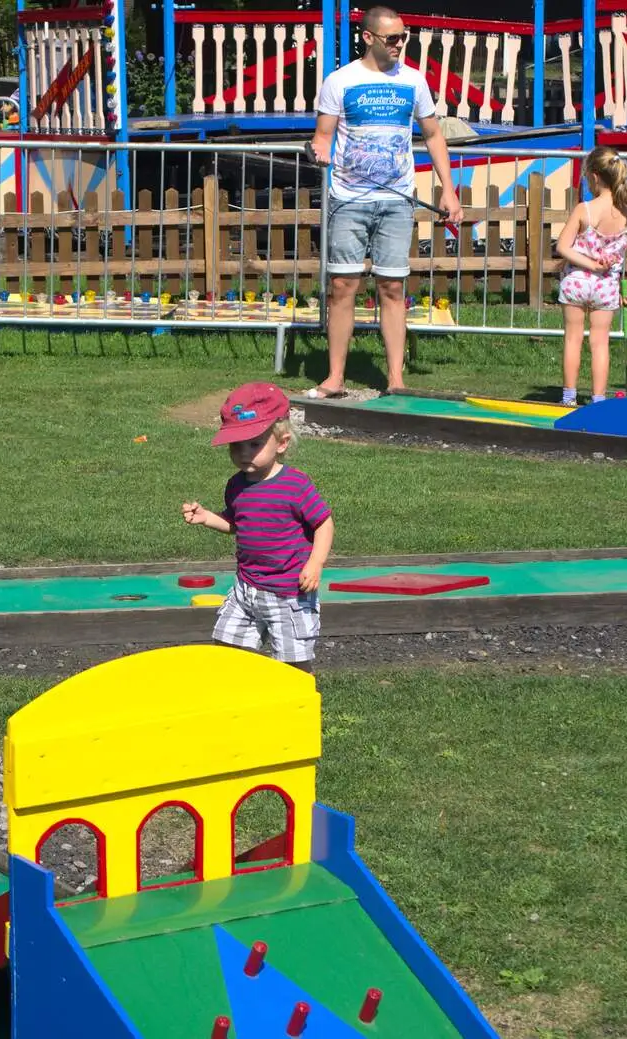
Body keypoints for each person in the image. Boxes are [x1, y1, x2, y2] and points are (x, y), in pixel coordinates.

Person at [305, 5, 463, 399]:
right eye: (393, 38)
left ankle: (395, 379)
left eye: (404, 37)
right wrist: (317, 152)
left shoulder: (413, 81)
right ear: (369, 38)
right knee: (343, 286)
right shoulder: (339, 81)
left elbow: (433, 135)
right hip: (348, 199)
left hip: (396, 201)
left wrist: (448, 187)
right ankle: (335, 376)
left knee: (393, 287)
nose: (400, 44)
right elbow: (322, 137)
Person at [181, 383, 333, 672]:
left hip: (289, 593)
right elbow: (236, 524)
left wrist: (315, 563)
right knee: (228, 651)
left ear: (282, 443)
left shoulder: (295, 485)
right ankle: (243, 704)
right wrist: (207, 517)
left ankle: (294, 708)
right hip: (246, 588)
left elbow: (323, 523)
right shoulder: (237, 484)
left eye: (254, 444)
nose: (244, 453)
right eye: (236, 445)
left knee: (293, 664)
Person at [555, 146, 627, 405]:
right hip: (606, 286)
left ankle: (569, 397)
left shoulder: (584, 209)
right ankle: (598, 400)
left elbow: (562, 247)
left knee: (573, 339)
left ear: (594, 176)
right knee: (600, 343)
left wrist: (588, 263)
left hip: (576, 281)